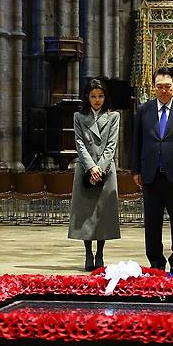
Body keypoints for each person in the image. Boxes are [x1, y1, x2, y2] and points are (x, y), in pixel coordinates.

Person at [131, 67, 173, 276]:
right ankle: (156, 261)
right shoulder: (144, 109)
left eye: (167, 87)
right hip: (151, 172)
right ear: (154, 87)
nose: (163, 91)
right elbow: (137, 141)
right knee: (152, 221)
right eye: (159, 87)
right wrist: (136, 169)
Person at [68, 78, 121, 270]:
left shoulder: (113, 116)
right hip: (86, 169)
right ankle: (88, 253)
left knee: (103, 214)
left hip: (105, 170)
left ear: (105, 97)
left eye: (100, 96)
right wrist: (91, 167)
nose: (97, 100)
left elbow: (112, 145)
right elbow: (79, 144)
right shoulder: (79, 117)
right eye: (93, 96)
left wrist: (100, 167)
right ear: (87, 97)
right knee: (86, 214)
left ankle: (100, 254)